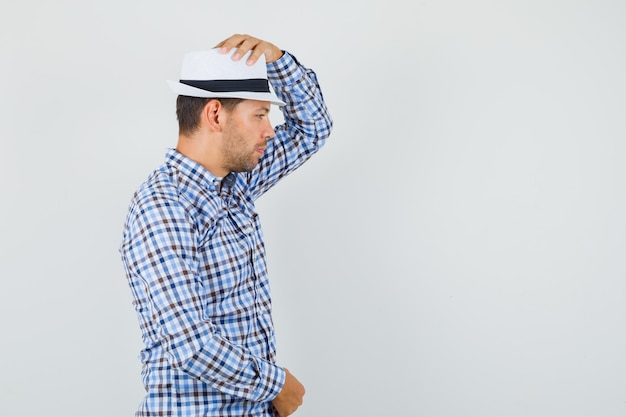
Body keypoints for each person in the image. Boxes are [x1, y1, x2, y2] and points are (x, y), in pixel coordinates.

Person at [119, 34, 333, 417]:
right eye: (260, 115)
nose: (270, 130)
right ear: (215, 115)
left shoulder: (236, 184)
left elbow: (312, 129)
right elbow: (191, 344)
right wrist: (277, 386)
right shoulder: (165, 205)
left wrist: (278, 60)